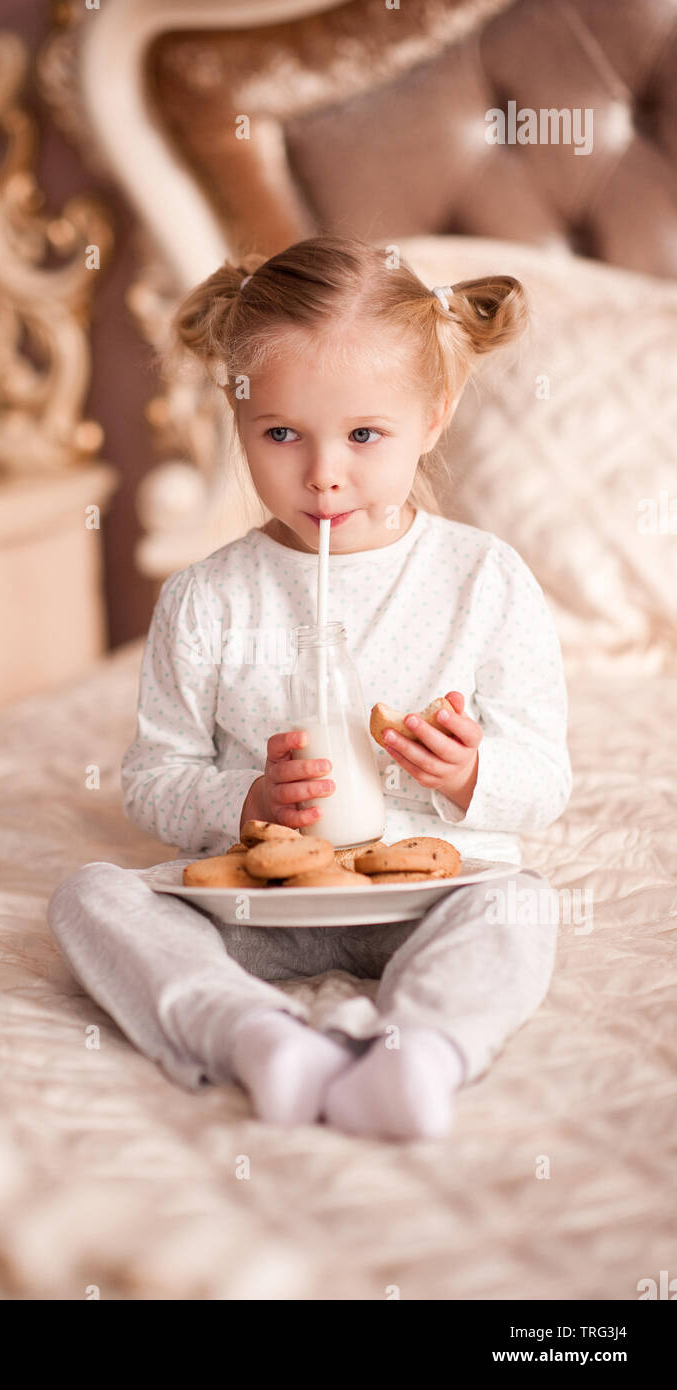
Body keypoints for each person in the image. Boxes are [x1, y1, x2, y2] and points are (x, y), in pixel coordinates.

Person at [47, 235, 571, 1141]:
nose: (323, 473)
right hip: (259, 904)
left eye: (365, 434)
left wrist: (466, 775)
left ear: (433, 417)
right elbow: (154, 775)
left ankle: (420, 1053)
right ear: (238, 415)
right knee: (91, 896)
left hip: (418, 902)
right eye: (281, 434)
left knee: (520, 903)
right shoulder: (205, 596)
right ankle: (256, 1037)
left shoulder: (483, 580)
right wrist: (243, 799)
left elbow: (547, 783)